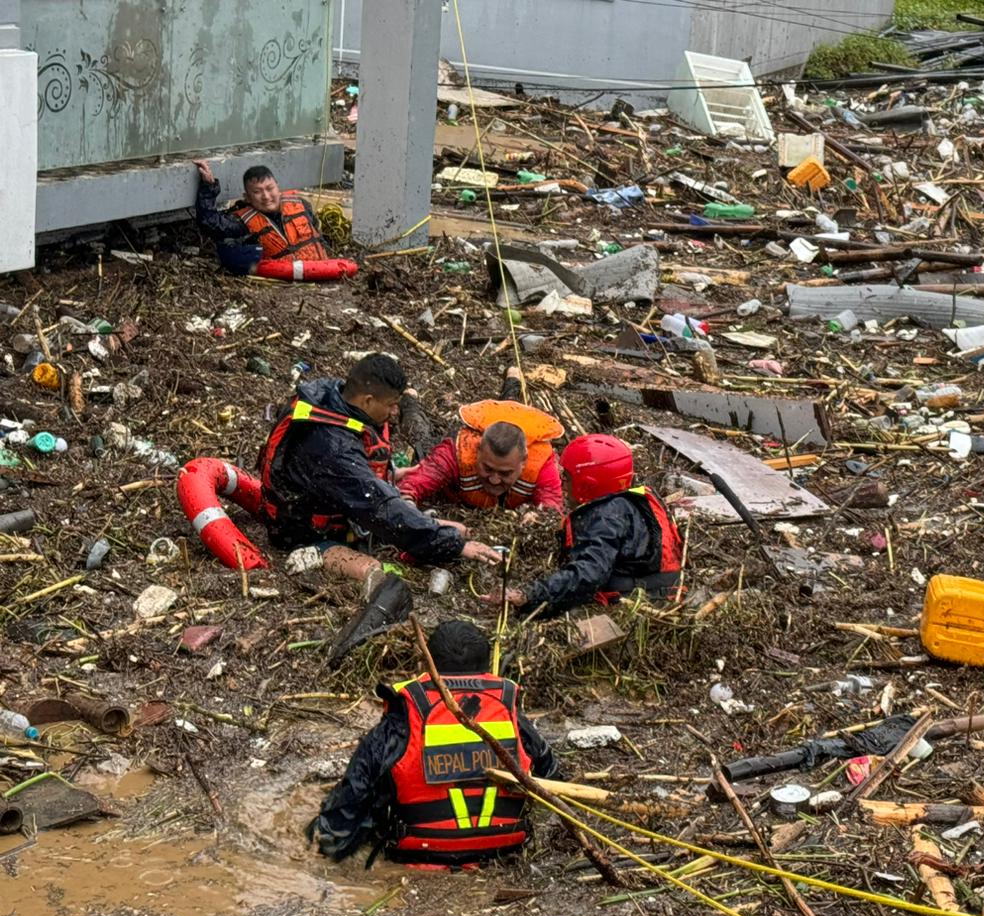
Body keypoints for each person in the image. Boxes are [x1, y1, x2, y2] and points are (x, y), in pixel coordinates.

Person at [309, 620, 561, 868]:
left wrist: (323, 841)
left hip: (420, 856)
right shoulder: (507, 707)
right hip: (502, 852)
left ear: (428, 664)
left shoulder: (407, 712)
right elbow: (552, 777)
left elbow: (357, 787)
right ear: (486, 668)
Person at [258, 353, 501, 589]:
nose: (395, 411)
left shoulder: (333, 395)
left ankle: (440, 534)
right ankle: (315, 553)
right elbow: (379, 507)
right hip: (303, 529)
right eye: (391, 405)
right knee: (371, 568)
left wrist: (391, 474)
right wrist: (454, 546)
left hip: (337, 501)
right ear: (368, 400)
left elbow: (355, 478)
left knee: (456, 530)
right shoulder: (333, 448)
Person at [485, 434, 684, 619]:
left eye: (567, 478)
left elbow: (589, 575)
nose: (562, 484)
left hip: (643, 599)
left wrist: (528, 596)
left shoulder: (608, 516)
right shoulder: (627, 500)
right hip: (658, 584)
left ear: (588, 485)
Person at [397, 367, 565, 521]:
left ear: (523, 461)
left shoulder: (542, 464)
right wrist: (408, 503)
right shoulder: (457, 451)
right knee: (418, 433)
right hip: (463, 439)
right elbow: (414, 482)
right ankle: (409, 402)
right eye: (488, 468)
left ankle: (513, 379)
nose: (494, 480)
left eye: (505, 473)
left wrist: (538, 517)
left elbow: (552, 506)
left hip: (513, 425)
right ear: (478, 451)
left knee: (511, 408)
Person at [192, 160, 327, 262]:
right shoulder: (243, 223)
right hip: (283, 280)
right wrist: (209, 186)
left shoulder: (302, 205)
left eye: (270, 188)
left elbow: (317, 236)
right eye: (257, 192)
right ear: (247, 198)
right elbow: (210, 223)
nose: (266, 197)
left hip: (322, 270)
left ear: (278, 188)